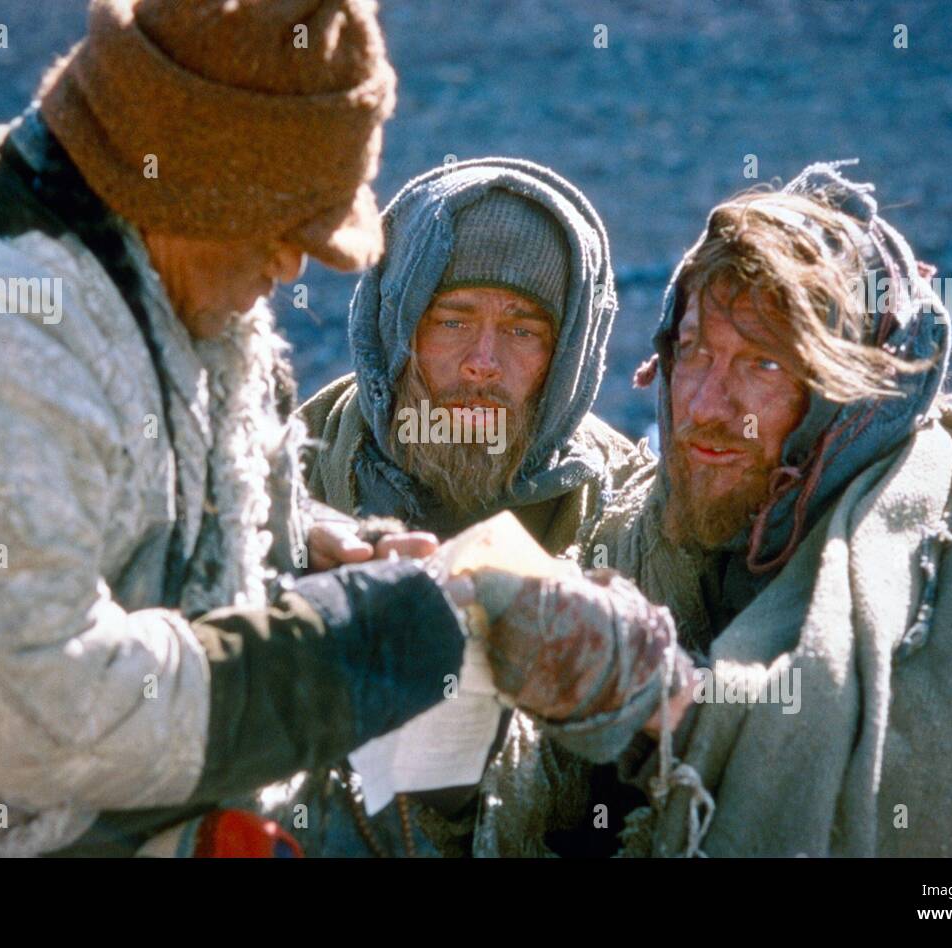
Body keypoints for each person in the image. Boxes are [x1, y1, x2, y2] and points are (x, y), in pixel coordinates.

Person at [0, 0, 477, 856]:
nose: (293, 265)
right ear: (199, 184)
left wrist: (298, 548)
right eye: (284, 229)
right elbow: (37, 714)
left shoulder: (117, 230)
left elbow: (100, 488)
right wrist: (346, 649)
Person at [544, 160, 952, 857]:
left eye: (764, 364)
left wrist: (658, 693)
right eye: (692, 353)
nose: (705, 408)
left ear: (852, 391)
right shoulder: (645, 532)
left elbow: (932, 812)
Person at [145, 158, 661, 856]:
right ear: (398, 326)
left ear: (567, 352)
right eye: (451, 320)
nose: (482, 362)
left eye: (522, 329)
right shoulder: (299, 468)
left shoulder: (625, 503)